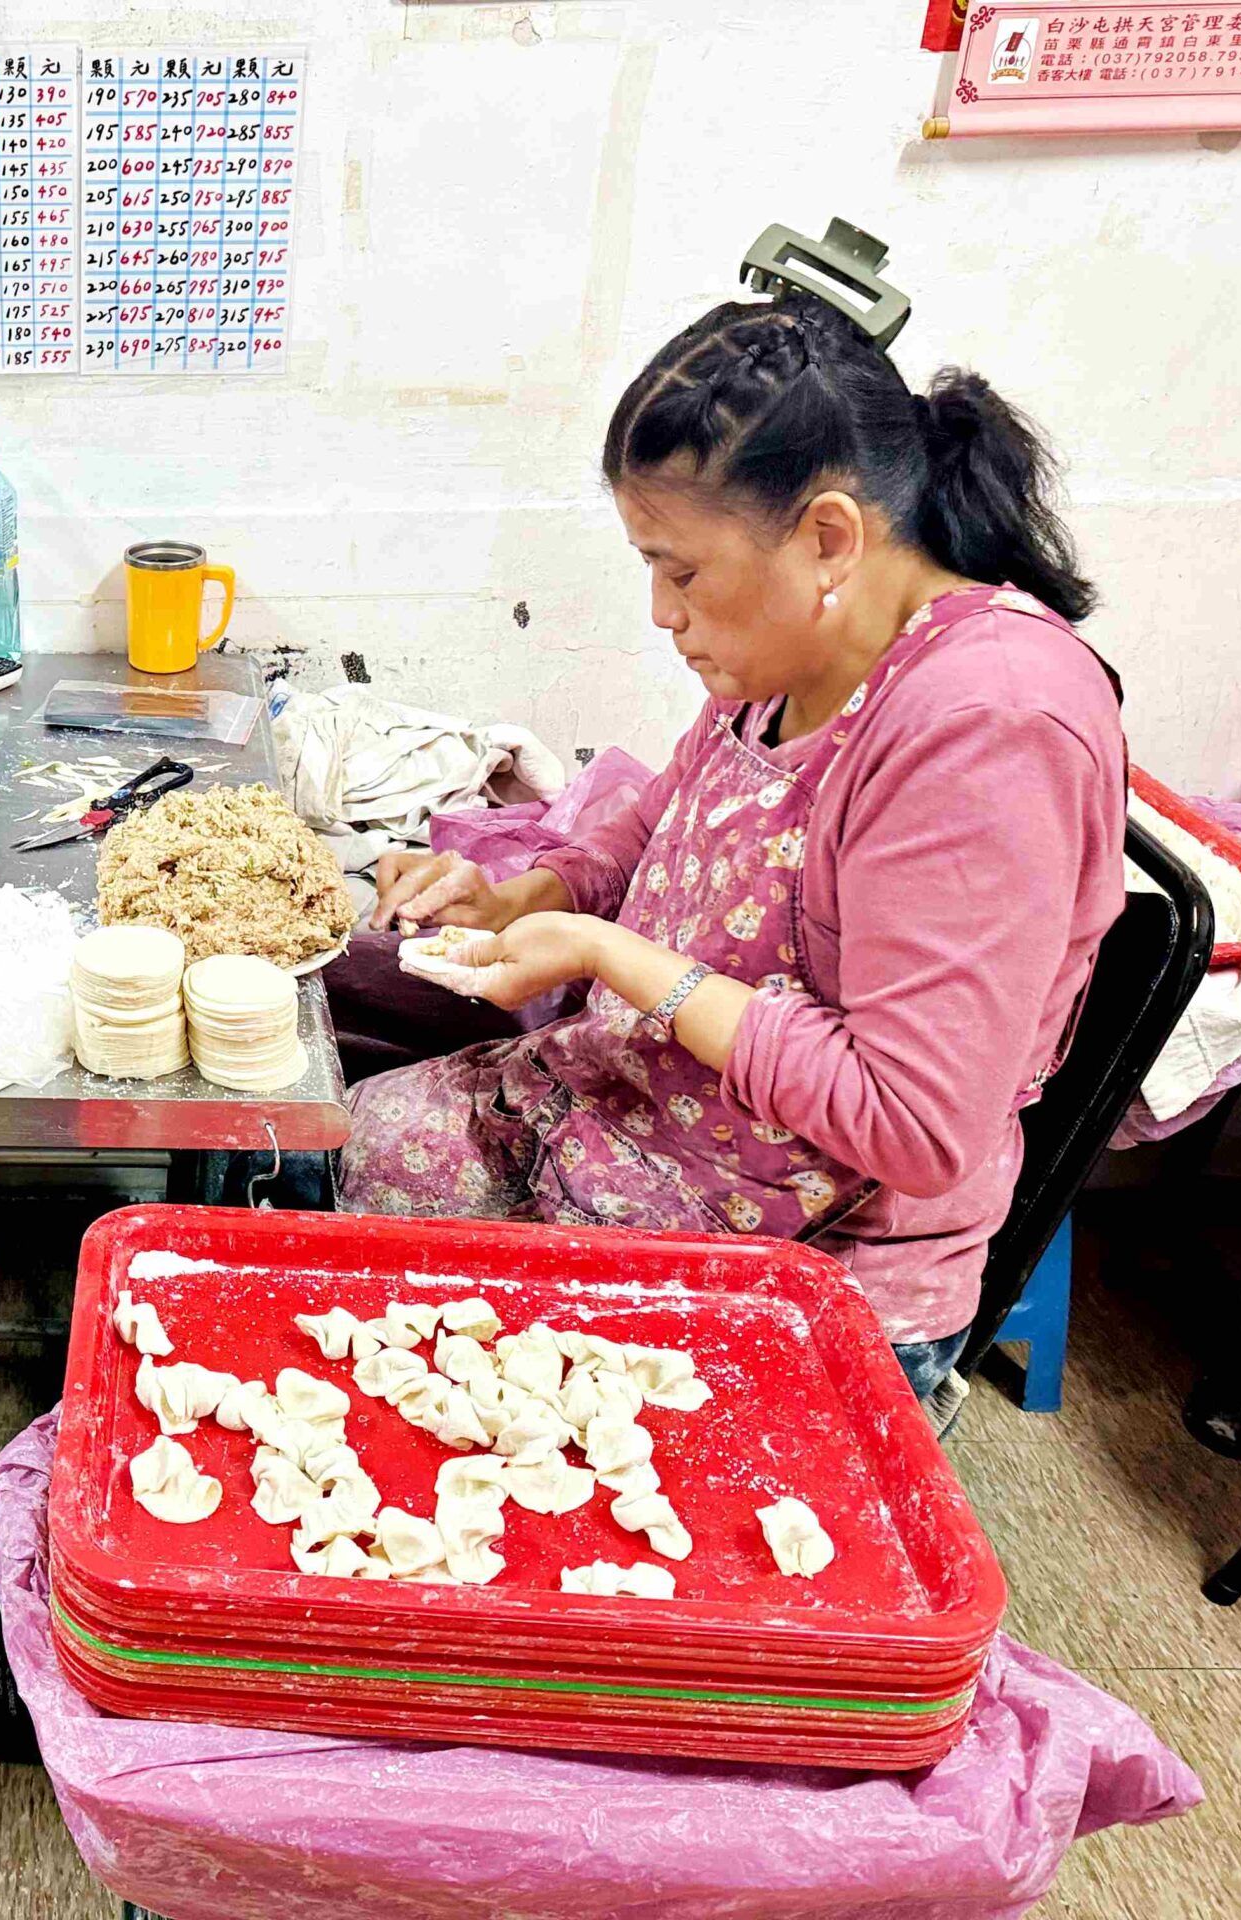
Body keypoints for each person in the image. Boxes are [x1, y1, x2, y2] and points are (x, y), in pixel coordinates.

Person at [340, 289, 1126, 1404]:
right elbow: (670, 812)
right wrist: (532, 892)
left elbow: (913, 1122)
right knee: (341, 1140)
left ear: (826, 537)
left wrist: (610, 957)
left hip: (808, 1261)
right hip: (651, 1118)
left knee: (363, 1325)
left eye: (682, 571)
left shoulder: (985, 729)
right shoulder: (797, 651)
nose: (662, 612)